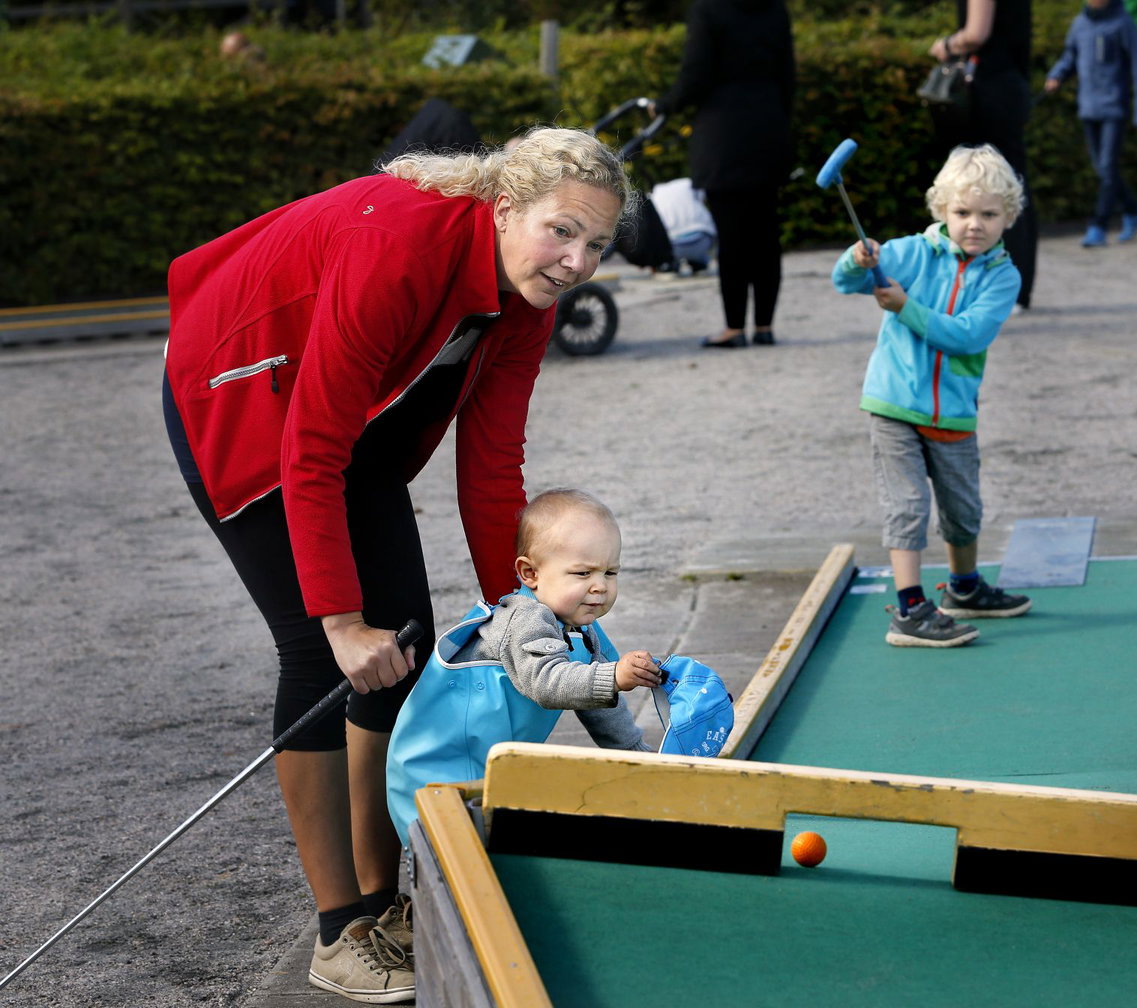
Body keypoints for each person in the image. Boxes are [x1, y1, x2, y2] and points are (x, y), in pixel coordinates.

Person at [162, 126, 631, 1003]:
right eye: (561, 231)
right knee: (321, 653)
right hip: (240, 393)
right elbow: (308, 449)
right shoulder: (397, 249)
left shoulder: (532, 297)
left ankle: (384, 904)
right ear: (504, 210)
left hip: (352, 422)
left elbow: (492, 467)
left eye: (597, 244)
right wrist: (341, 621)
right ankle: (341, 929)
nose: (575, 261)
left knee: (405, 656)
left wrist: (523, 612)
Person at [831, 144, 1033, 648]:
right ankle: (911, 609)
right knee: (907, 505)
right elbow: (845, 280)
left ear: (1008, 216)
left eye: (989, 215)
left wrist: (904, 307)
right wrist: (859, 260)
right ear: (942, 209)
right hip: (893, 403)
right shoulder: (912, 253)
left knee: (963, 510)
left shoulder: (1004, 276)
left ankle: (963, 588)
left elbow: (967, 336)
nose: (974, 225)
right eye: (963, 212)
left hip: (955, 413)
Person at [386, 488, 658, 843]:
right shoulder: (523, 619)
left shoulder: (581, 623)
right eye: (582, 573)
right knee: (456, 869)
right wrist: (615, 676)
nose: (600, 587)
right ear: (530, 573)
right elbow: (547, 682)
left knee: (500, 851)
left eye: (610, 572)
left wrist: (639, 758)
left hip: (488, 773)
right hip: (438, 779)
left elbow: (599, 703)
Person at [654, 0, 795, 348]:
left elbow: (696, 74)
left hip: (724, 133)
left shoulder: (709, 9)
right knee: (765, 234)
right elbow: (787, 75)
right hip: (768, 127)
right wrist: (778, 121)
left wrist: (666, 103)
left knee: (732, 237)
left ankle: (734, 327)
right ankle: (764, 326)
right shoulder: (775, 9)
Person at [927, 0, 1039, 309]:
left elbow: (976, 33)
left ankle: (1001, 290)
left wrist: (946, 44)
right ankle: (1016, 288)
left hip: (990, 88)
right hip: (1009, 84)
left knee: (990, 187)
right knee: (1012, 185)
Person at [1045, 0, 1137, 248]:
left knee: (1107, 167)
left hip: (1115, 107)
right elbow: (1070, 55)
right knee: (1104, 169)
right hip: (1088, 107)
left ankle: (1098, 226)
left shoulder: (1123, 23)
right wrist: (1056, 75)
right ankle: (1133, 210)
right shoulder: (1080, 23)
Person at [649, 177, 717, 275]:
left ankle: (671, 263)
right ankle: (699, 262)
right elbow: (702, 198)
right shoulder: (688, 182)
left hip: (674, 246)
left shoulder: (656, 193)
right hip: (702, 240)